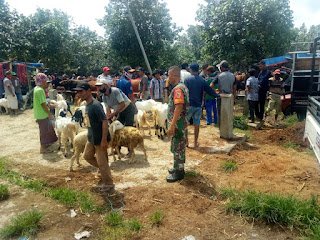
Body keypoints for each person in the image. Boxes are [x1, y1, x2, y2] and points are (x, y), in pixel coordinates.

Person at [73, 81, 115, 193]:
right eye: (78, 92)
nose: (79, 94)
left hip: (100, 138)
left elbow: (105, 122)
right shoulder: (87, 105)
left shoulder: (96, 105)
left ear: (88, 91)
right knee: (87, 156)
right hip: (91, 137)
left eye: (81, 91)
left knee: (102, 162)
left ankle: (109, 183)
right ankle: (104, 170)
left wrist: (104, 140)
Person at [184, 63, 220, 148]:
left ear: (191, 70)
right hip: (198, 105)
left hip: (189, 105)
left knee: (185, 124)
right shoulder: (202, 80)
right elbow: (209, 90)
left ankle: (186, 142)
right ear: (198, 70)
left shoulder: (187, 80)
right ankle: (195, 142)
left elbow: (184, 92)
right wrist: (218, 96)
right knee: (196, 123)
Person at [166, 66, 189, 182]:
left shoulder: (178, 89)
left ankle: (179, 172)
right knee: (178, 146)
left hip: (178, 124)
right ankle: (178, 167)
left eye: (169, 75)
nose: (168, 78)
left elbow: (179, 107)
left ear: (174, 75)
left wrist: (172, 125)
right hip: (180, 123)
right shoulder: (182, 87)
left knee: (178, 148)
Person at [33, 73, 57, 153]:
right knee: (44, 131)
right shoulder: (40, 90)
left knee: (48, 128)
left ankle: (46, 144)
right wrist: (50, 114)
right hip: (42, 114)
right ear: (42, 82)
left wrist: (50, 105)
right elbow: (43, 104)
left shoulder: (36, 89)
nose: (48, 84)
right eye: (46, 82)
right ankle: (43, 148)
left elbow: (43, 102)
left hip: (39, 113)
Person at [212, 60, 237, 127]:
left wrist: (215, 92)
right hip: (230, 96)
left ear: (222, 67)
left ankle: (221, 127)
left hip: (221, 96)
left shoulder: (219, 75)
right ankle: (228, 127)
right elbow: (234, 88)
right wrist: (234, 99)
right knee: (229, 113)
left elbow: (211, 85)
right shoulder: (233, 76)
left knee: (220, 113)